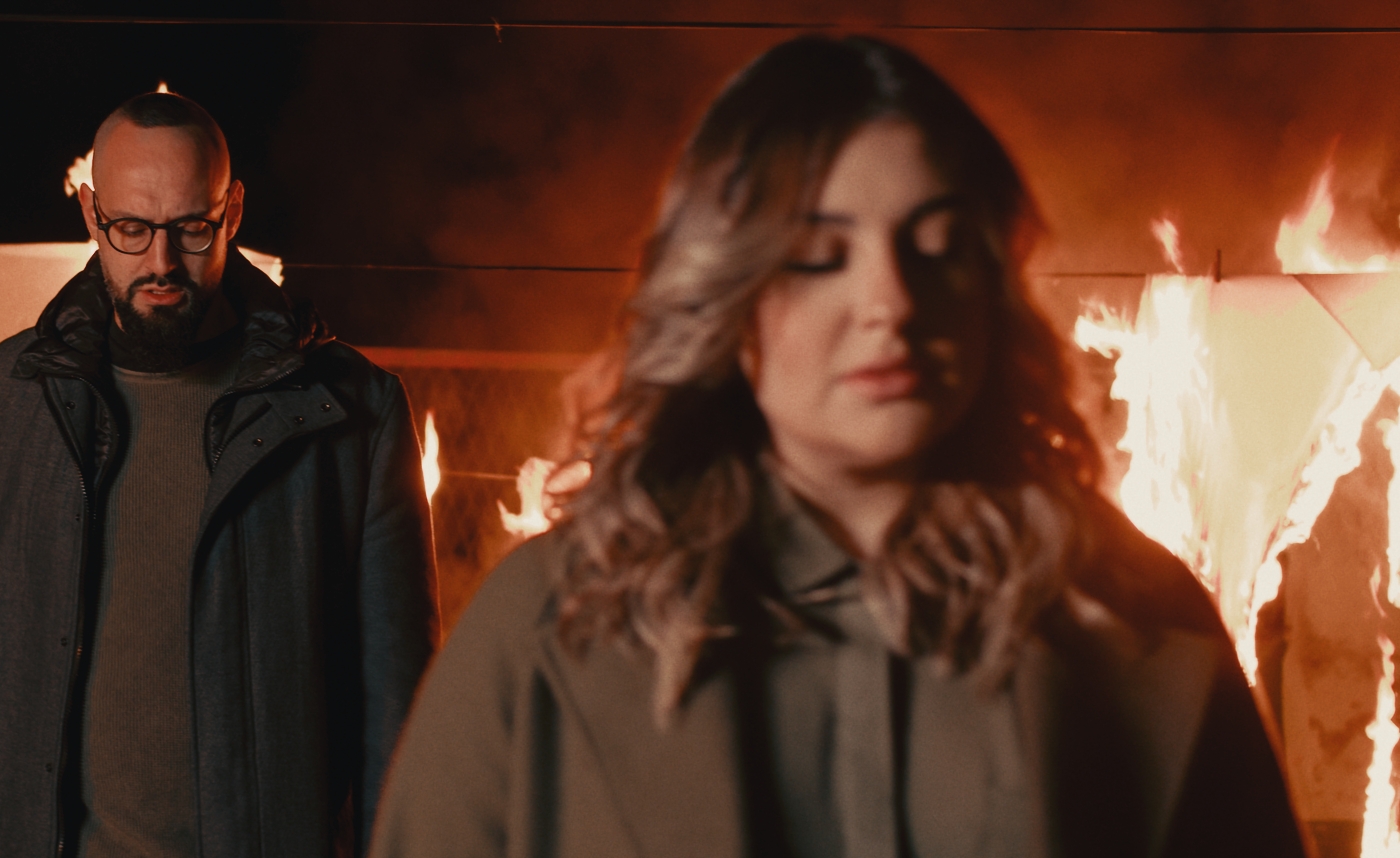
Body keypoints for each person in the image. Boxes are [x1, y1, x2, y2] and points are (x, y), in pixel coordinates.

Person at [371, 36, 1306, 858]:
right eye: (819, 256)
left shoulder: (1140, 627)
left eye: (937, 246)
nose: (889, 303)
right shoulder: (548, 633)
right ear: (726, 294)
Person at [0, 91, 440, 858]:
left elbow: (399, 711)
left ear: (233, 213)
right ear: (91, 214)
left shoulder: (354, 415)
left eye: (191, 228)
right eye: (131, 229)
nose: (161, 263)